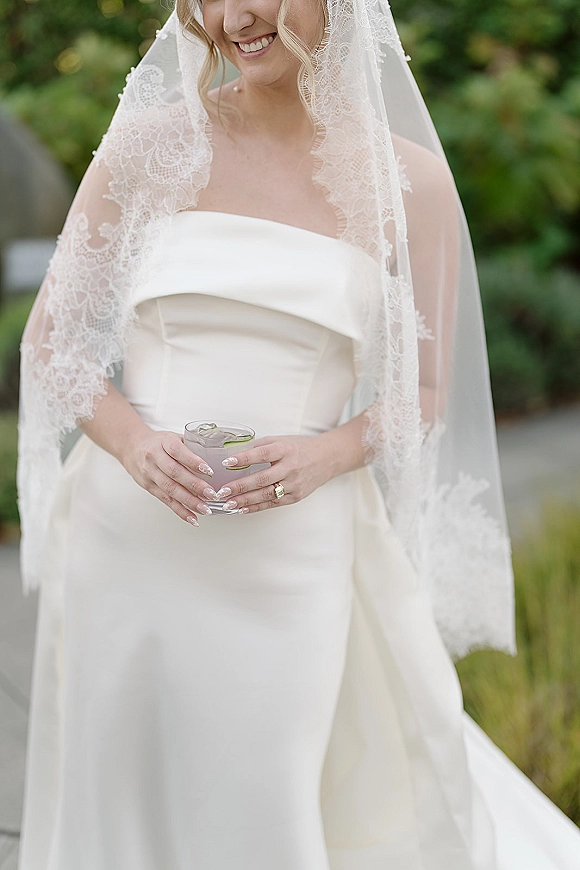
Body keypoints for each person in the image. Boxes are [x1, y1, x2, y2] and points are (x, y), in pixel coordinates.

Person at [16, 1, 580, 868]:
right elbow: (51, 339)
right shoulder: (148, 148)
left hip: (289, 560)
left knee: (262, 798)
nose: (232, 16)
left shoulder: (409, 184)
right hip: (126, 546)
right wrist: (131, 442)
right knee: (123, 801)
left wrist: (329, 452)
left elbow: (424, 392)